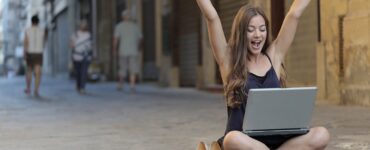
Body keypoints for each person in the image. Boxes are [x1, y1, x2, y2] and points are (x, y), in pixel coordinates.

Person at [196, 0, 330, 149]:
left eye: (262, 28)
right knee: (231, 139)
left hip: (279, 140)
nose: (258, 35)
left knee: (321, 135)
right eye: (251, 29)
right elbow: (211, 16)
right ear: (241, 32)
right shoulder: (228, 61)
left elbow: (294, 14)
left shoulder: (274, 56)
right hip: (246, 142)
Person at [113, 10, 143, 93]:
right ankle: (132, 85)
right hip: (133, 50)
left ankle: (120, 84)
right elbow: (141, 39)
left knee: (122, 67)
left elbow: (116, 39)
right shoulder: (135, 26)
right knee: (133, 68)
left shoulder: (119, 26)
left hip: (123, 51)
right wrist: (139, 48)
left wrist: (115, 49)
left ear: (122, 17)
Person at [24, 15, 47, 97]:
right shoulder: (42, 30)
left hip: (30, 53)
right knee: (38, 73)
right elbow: (44, 41)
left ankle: (28, 88)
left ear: (31, 21)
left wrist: (24, 53)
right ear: (38, 22)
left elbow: (26, 42)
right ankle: (36, 90)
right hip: (38, 53)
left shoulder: (27, 30)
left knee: (29, 71)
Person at [70, 19, 92, 94]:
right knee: (78, 72)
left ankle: (82, 87)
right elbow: (71, 45)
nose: (83, 26)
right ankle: (78, 85)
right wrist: (74, 45)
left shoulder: (88, 34)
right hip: (77, 56)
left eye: (85, 25)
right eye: (82, 24)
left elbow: (91, 45)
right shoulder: (75, 34)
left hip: (86, 56)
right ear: (79, 26)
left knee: (84, 72)